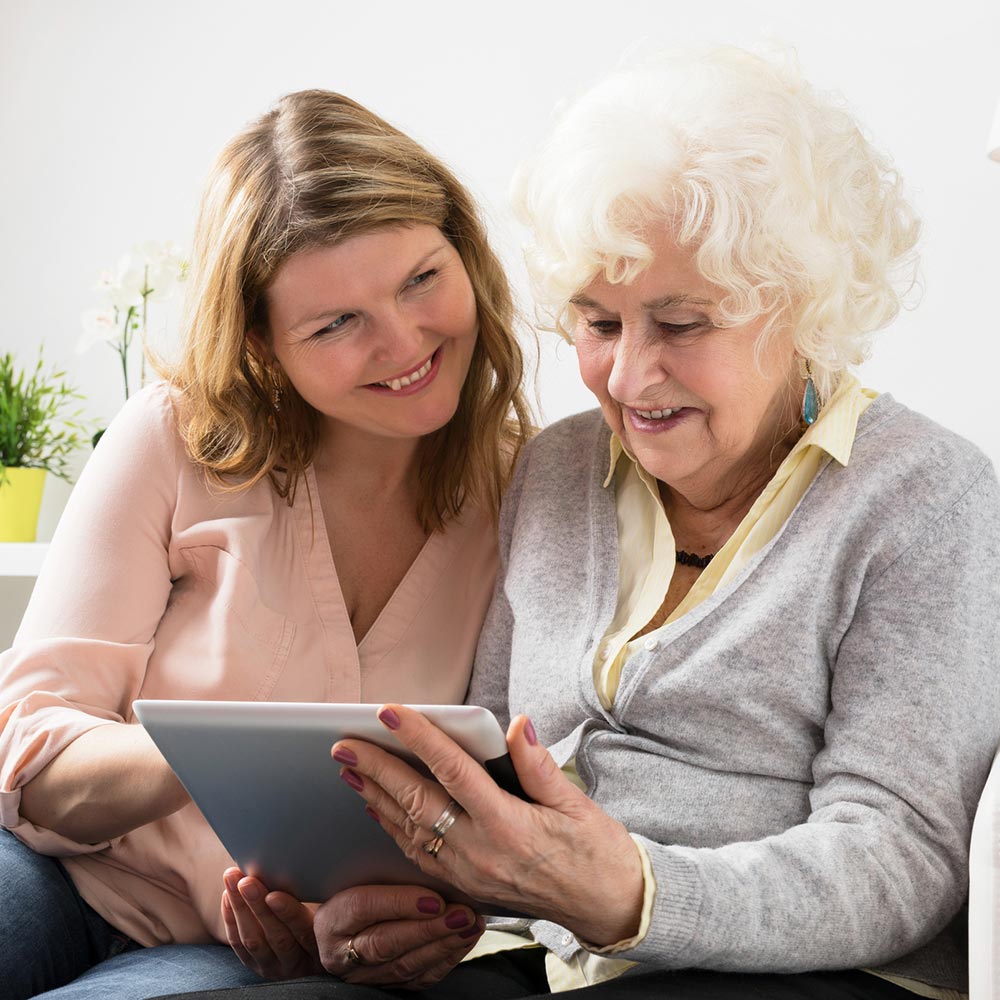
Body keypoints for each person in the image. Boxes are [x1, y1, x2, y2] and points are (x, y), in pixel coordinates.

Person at [187, 46, 1000, 1000]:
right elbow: (486, 759)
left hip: (795, 969)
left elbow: (900, 858)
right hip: (532, 956)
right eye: (599, 324)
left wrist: (634, 895)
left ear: (800, 309)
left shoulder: (927, 497)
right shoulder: (560, 466)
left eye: (682, 324)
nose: (628, 377)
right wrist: (409, 906)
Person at [0, 88, 531, 1000]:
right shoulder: (174, 438)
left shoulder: (524, 492)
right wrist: (216, 756)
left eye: (420, 280)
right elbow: (30, 757)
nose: (404, 342)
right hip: (52, 871)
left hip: (237, 951)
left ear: (465, 253)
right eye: (334, 324)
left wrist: (354, 921)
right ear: (261, 344)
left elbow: (495, 808)